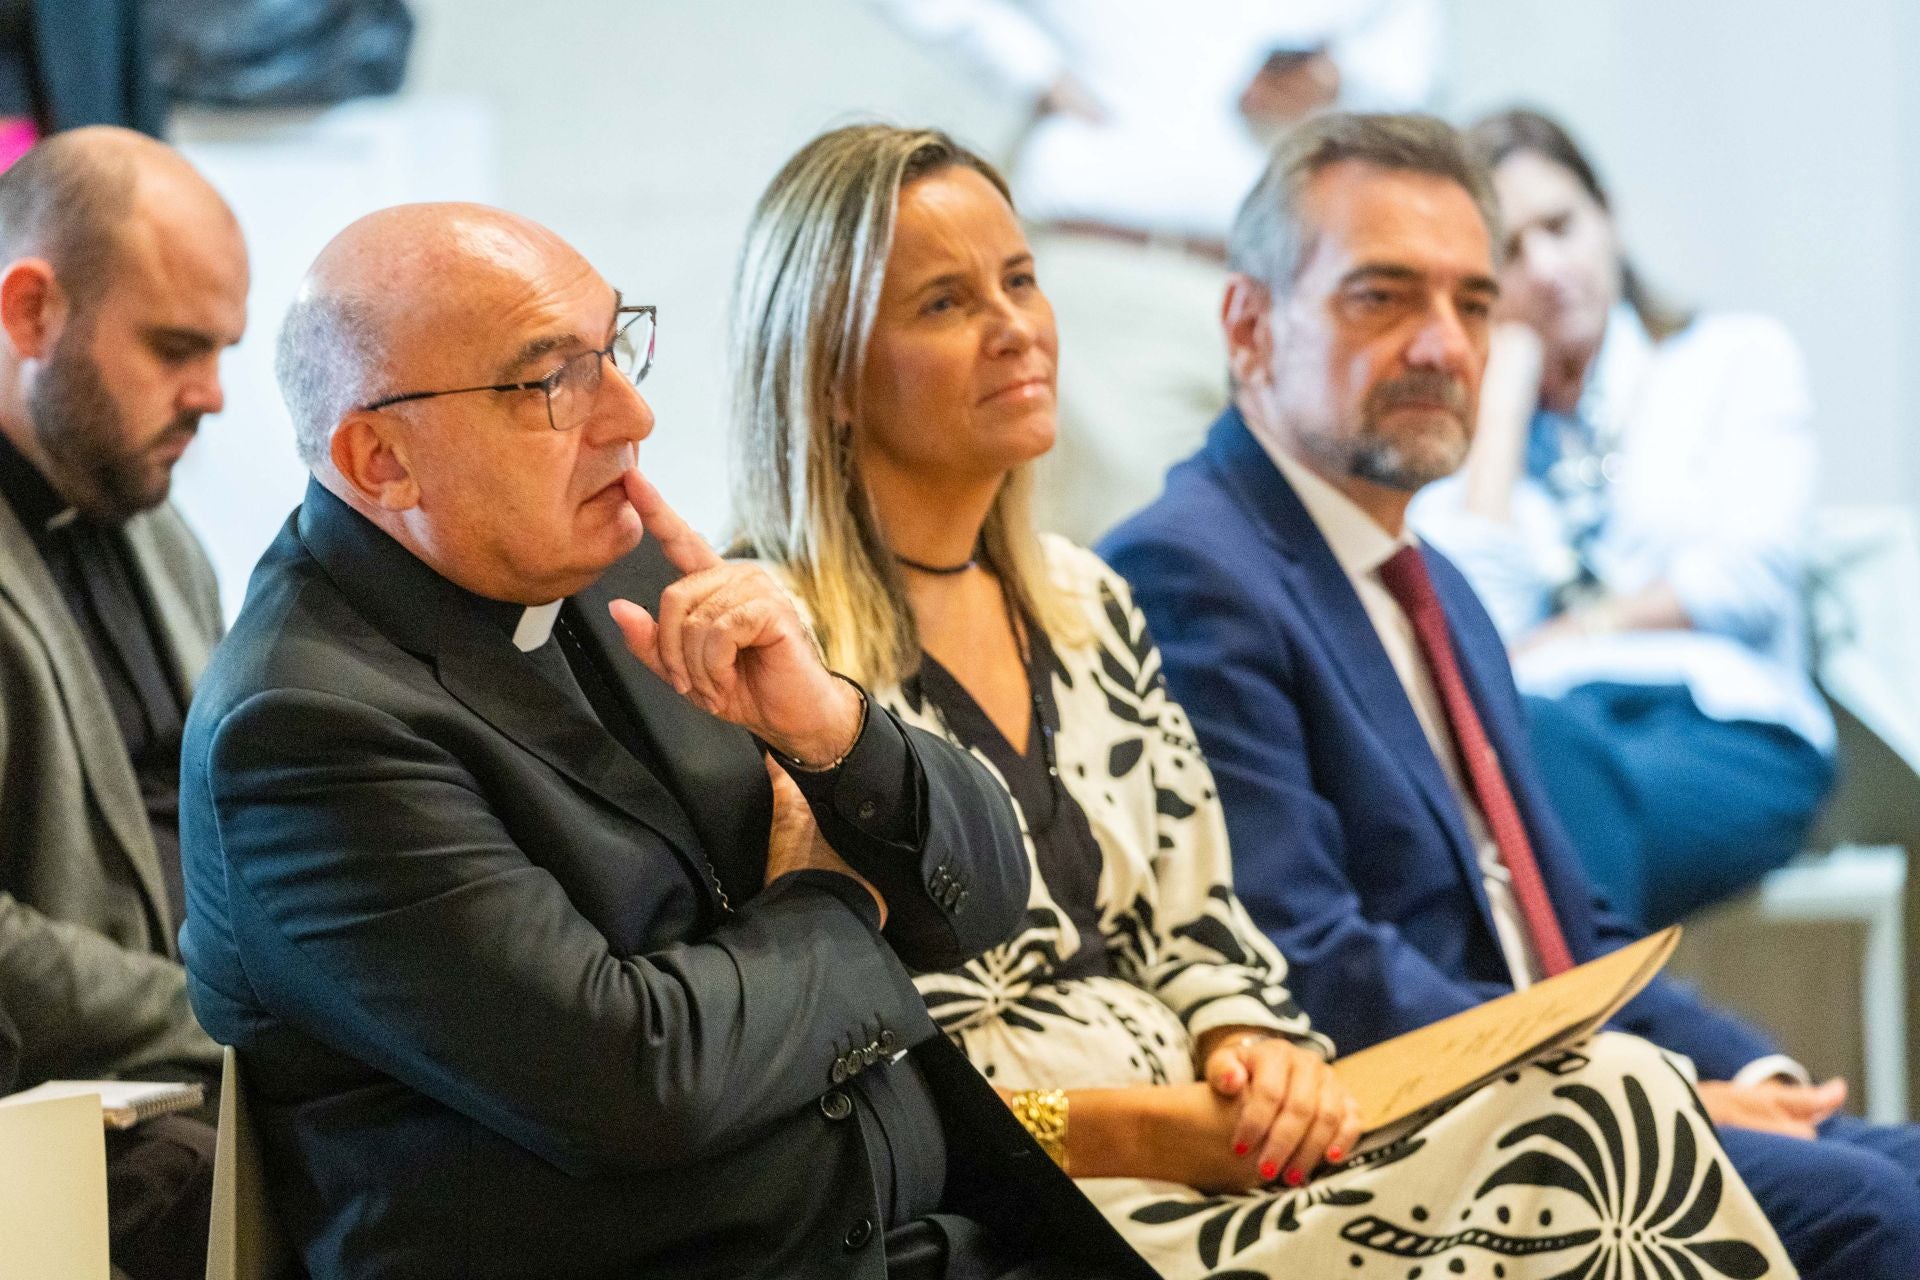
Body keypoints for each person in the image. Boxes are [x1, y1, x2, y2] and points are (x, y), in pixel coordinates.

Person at [733, 121, 1791, 1280]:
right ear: (830, 371)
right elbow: (844, 1074)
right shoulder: (774, 654)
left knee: (1618, 1088)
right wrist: (1147, 1124)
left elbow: (1209, 931)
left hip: (1219, 1144)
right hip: (1029, 1192)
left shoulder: (1086, 603)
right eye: (945, 302)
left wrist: (1250, 1043)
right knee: (1600, 1138)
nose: (1016, 328)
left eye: (1022, 280)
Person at [178, 199, 1152, 1280]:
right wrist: (834, 899)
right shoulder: (304, 724)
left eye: (614, 347)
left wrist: (830, 724)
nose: (631, 415)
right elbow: (634, 1079)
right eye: (553, 381)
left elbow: (984, 892)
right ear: (380, 459)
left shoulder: (616, 561)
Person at [1101, 109, 1920, 1279]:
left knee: (1900, 1169)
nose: (1444, 344)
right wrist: (1670, 1094)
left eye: (1473, 304)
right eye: (1382, 296)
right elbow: (1310, 957)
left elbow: (1571, 934)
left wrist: (1766, 1083)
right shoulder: (1194, 567)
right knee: (1869, 1215)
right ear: (1249, 324)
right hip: (1422, 1138)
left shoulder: (1436, 589)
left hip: (1558, 1088)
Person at [1402, 108, 1834, 929]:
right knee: (1517, 774)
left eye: (1563, 227)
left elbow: (1748, 579)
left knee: (1534, 815)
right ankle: (1621, 1048)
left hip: (1723, 727)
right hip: (1539, 734)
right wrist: (1498, 405)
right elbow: (1470, 638)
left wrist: (1578, 632)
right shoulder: (1463, 440)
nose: (1550, 270)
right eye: (1511, 255)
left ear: (1610, 218)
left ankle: (1574, 1047)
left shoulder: (1732, 359)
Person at [862, 0, 1443, 544]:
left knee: (1279, 568)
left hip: (1294, 284)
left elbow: (1408, 70)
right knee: (1129, 557)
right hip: (1122, 270)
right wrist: (1035, 72)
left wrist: (1339, 80)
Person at [0, 126, 245, 1280]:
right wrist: (237, 1019)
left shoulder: (164, 530)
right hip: (56, 1112)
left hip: (211, 1060)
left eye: (222, 349)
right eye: (174, 347)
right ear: (32, 310)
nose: (214, 396)